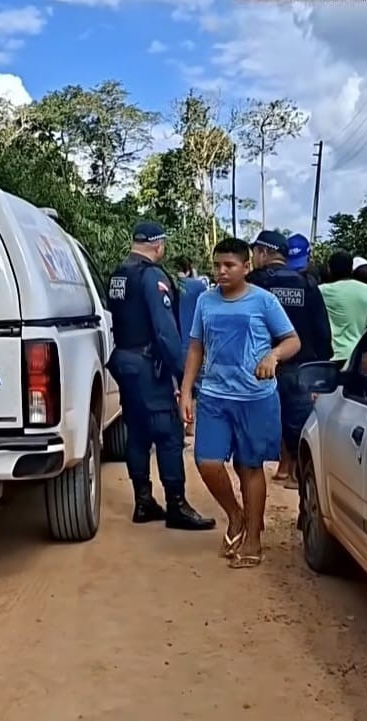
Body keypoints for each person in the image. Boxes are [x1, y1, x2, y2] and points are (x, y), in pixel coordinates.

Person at [180, 235, 301, 569]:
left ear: (246, 267)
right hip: (215, 396)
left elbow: (292, 341)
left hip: (255, 398)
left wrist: (273, 356)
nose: (221, 271)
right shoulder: (205, 301)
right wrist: (187, 391)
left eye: (229, 265)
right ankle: (236, 515)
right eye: (217, 265)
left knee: (250, 466)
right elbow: (195, 347)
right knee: (207, 462)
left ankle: (253, 538)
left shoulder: (263, 302)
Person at [106, 221, 215, 531]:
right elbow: (165, 333)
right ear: (158, 245)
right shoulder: (151, 276)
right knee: (168, 434)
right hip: (146, 365)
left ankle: (143, 501)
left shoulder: (118, 275)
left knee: (138, 432)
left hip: (124, 361)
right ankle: (176, 505)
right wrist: (185, 376)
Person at [249, 231, 332, 490]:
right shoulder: (307, 284)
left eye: (254, 253)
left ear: (263, 252)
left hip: (260, 366)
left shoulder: (253, 283)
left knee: (264, 422)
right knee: (298, 422)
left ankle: (272, 472)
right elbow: (322, 331)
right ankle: (295, 473)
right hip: (301, 367)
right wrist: (321, 365)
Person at [320, 251, 367, 367]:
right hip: (355, 354)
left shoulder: (321, 290)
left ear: (330, 269)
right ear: (351, 270)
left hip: (329, 356)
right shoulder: (366, 290)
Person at [175, 257, 208, 438]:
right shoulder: (198, 287)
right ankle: (191, 426)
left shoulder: (166, 284)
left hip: (172, 345)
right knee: (196, 388)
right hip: (194, 346)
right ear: (189, 270)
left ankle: (177, 428)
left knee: (176, 387)